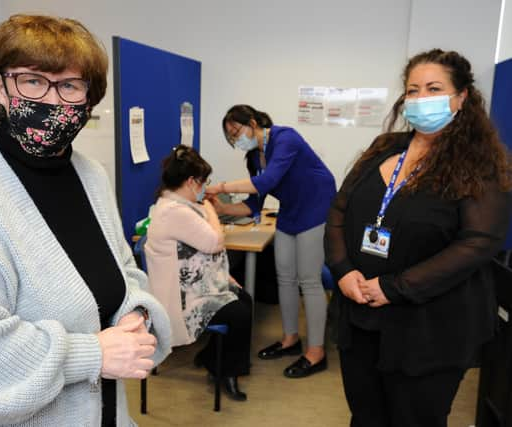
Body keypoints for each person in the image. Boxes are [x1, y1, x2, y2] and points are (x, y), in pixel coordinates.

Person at [0, 14, 171, 426]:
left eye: (69, 86)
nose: (52, 101)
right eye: (33, 81)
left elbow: (124, 273)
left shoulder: (90, 175)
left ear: (89, 99)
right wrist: (94, 355)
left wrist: (135, 314)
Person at [324, 49, 512, 427]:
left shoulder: (479, 164)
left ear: (460, 98)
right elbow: (338, 212)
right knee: (365, 415)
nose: (421, 98)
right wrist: (343, 270)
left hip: (430, 328)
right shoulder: (384, 148)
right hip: (360, 316)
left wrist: (394, 287)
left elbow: (479, 242)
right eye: (413, 90)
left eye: (433, 88)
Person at [207, 105, 336, 378]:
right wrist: (222, 208)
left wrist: (221, 187)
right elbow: (255, 201)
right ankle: (291, 339)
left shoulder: (285, 138)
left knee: (309, 280)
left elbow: (269, 180)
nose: (235, 139)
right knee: (285, 277)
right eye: (230, 137)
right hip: (289, 211)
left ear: (253, 123)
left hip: (316, 208)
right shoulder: (255, 157)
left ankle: (316, 352)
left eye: (236, 131)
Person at [145, 145, 252, 401]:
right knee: (240, 312)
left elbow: (197, 254)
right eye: (205, 182)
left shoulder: (179, 205)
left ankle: (211, 357)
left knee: (243, 298)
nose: (206, 187)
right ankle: (225, 372)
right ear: (192, 182)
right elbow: (215, 242)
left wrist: (223, 277)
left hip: (189, 286)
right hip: (179, 298)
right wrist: (212, 210)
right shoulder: (175, 211)